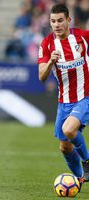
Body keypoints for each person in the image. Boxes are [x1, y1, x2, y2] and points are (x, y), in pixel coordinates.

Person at [38, 3, 89, 186]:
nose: (56, 25)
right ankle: (80, 178)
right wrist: (51, 61)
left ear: (68, 20)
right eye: (53, 21)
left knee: (69, 130)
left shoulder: (83, 37)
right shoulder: (46, 44)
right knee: (65, 147)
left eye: (60, 20)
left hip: (85, 97)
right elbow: (42, 77)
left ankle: (87, 162)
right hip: (64, 102)